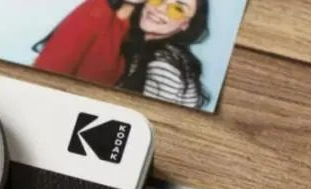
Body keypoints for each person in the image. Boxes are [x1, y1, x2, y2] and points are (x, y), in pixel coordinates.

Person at [33, 0, 209, 108]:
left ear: (186, 24)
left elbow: (151, 127)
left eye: (178, 9)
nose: (161, 9)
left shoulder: (165, 64)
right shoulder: (131, 43)